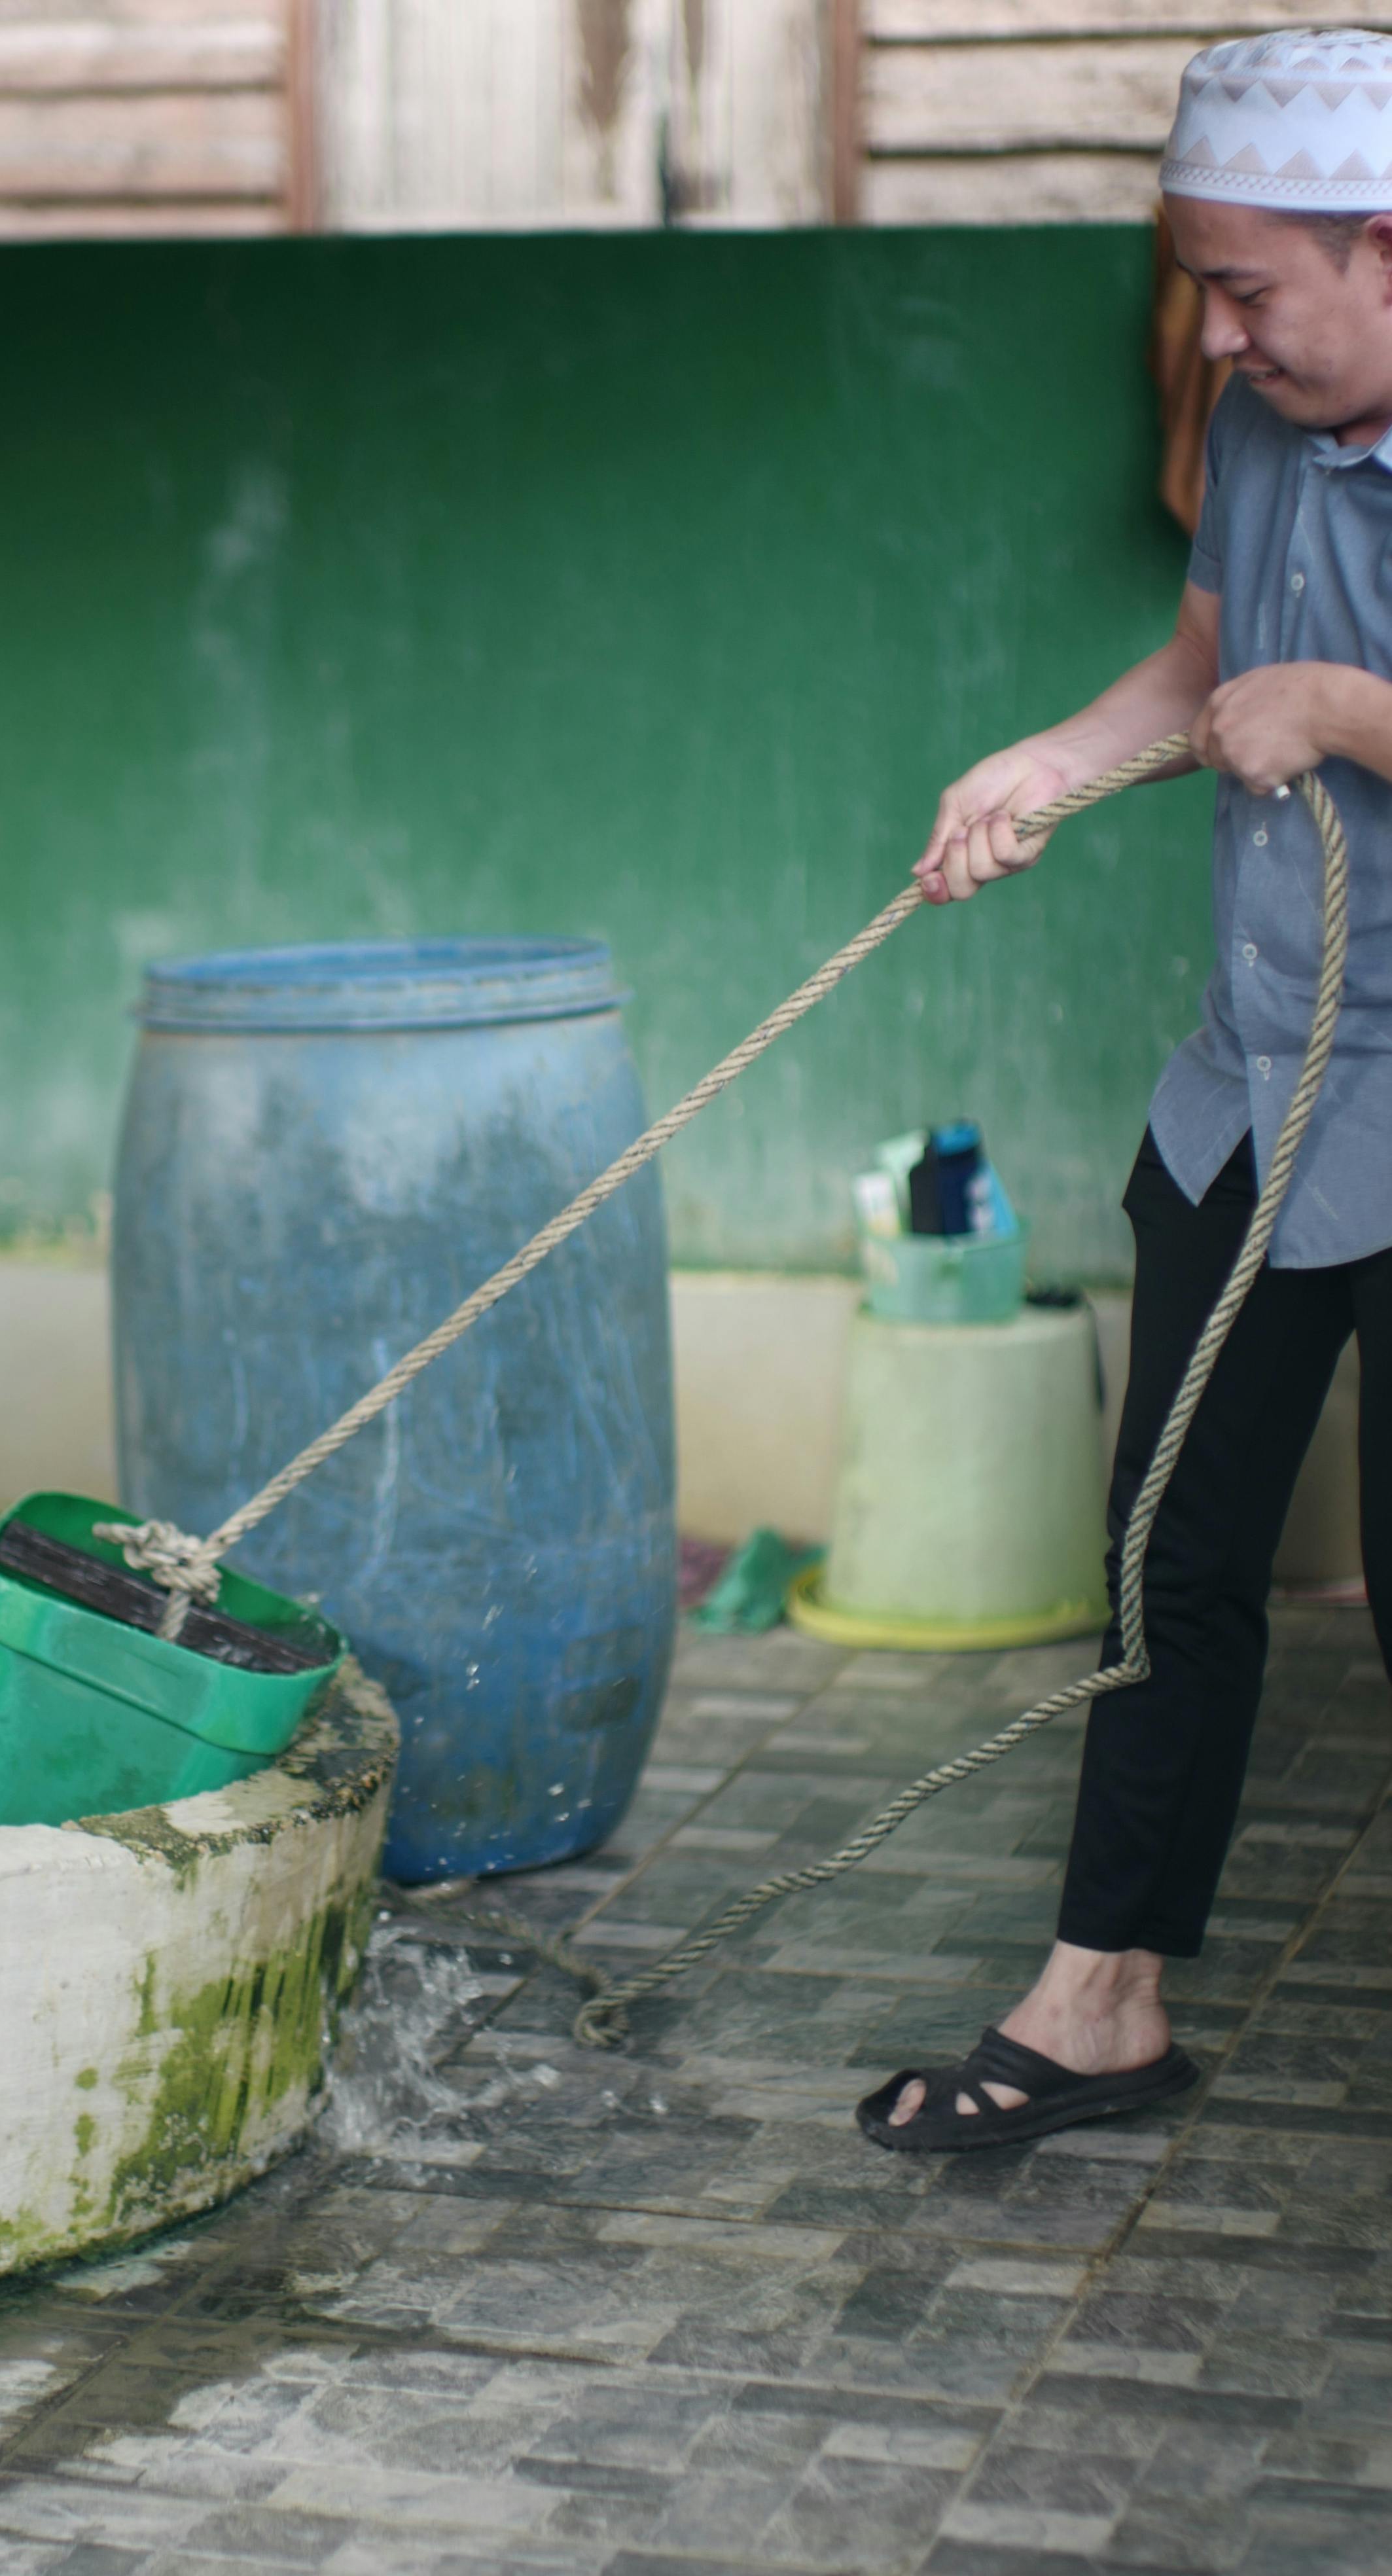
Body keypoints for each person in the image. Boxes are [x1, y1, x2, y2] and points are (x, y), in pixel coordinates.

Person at [858, 26, 1392, 2153]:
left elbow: (1299, 693)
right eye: (1202, 285)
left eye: (1252, 286)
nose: (1217, 332)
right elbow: (1196, 666)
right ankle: (1103, 1999)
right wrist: (1056, 767)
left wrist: (1353, 701)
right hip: (1256, 1086)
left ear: (1383, 243)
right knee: (1168, 1554)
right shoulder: (1265, 414)